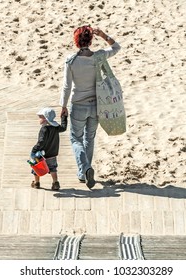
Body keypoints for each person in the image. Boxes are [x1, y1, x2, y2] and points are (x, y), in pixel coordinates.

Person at [60, 25, 121, 189]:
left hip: (78, 105)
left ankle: (85, 169)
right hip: (96, 105)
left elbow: (66, 86)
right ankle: (83, 172)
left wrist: (63, 106)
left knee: (75, 138)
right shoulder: (99, 56)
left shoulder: (71, 61)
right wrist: (103, 34)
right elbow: (116, 47)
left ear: (76, 41)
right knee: (89, 138)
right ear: (91, 40)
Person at [30, 107, 67, 190]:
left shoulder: (44, 129)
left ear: (46, 119)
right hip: (52, 153)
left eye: (41, 117)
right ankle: (55, 183)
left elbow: (41, 142)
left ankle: (36, 183)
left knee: (36, 167)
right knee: (53, 168)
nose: (39, 119)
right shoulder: (56, 127)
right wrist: (64, 117)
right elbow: (64, 128)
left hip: (41, 154)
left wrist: (34, 150)